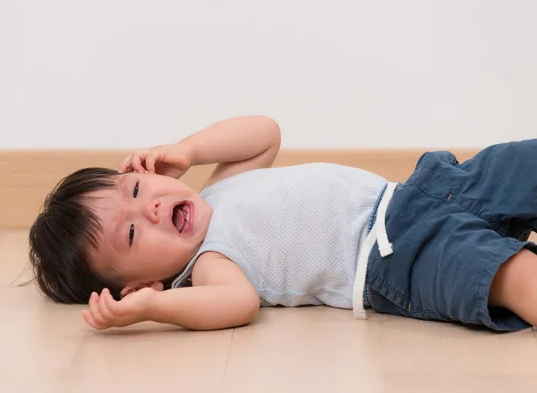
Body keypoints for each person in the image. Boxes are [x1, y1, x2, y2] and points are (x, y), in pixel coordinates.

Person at [28, 115, 537, 333]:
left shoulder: (216, 192)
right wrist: (155, 308)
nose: (152, 208)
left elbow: (264, 134)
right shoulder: (211, 264)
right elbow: (238, 304)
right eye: (134, 233)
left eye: (136, 190)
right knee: (510, 275)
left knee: (523, 165)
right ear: (139, 283)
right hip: (396, 256)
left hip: (420, 191)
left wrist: (189, 150)